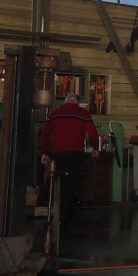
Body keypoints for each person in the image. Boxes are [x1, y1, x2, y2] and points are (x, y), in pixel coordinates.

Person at [39, 93, 100, 228]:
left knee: (55, 181)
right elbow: (93, 134)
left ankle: (51, 211)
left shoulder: (54, 114)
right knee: (70, 185)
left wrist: (44, 152)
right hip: (75, 154)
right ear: (77, 103)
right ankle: (64, 219)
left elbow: (44, 134)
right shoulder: (83, 113)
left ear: (65, 102)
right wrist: (95, 148)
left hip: (57, 154)